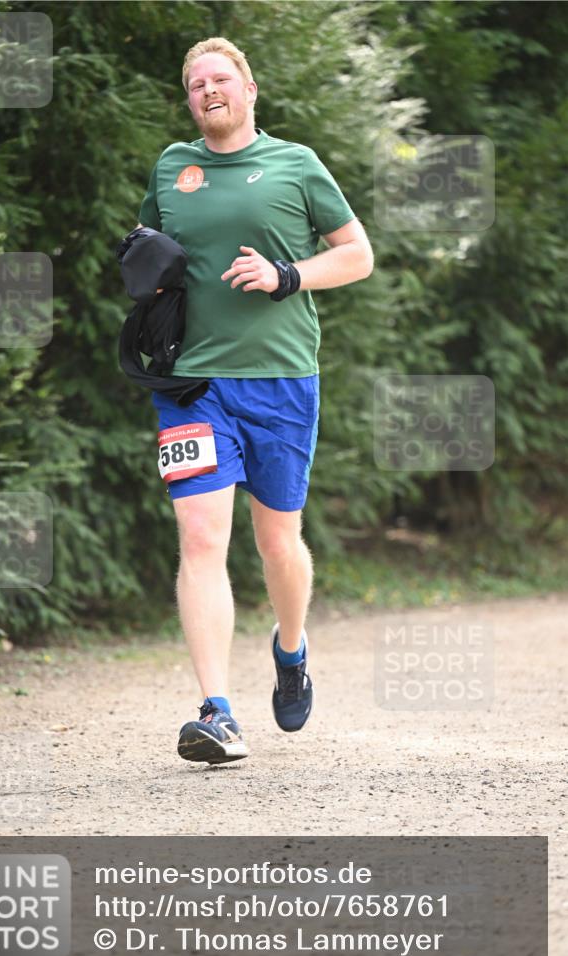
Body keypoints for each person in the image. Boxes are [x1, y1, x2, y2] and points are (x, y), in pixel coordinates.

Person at [137, 37, 374, 764]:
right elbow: (152, 255)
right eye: (193, 83)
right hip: (192, 386)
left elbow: (356, 254)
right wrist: (145, 272)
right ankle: (215, 712)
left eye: (219, 79)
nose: (206, 90)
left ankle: (291, 647)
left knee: (278, 543)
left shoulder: (295, 164)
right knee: (203, 539)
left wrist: (286, 275)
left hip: (280, 380)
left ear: (249, 88)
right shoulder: (173, 168)